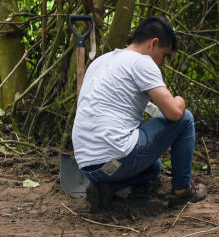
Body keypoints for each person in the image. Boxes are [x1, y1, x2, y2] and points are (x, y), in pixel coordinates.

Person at [72, 17, 207, 209]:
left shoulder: (100, 62)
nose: (162, 63)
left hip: (88, 165)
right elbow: (175, 114)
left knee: (154, 167)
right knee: (186, 118)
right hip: (118, 156)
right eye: (164, 55)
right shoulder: (141, 62)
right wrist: (180, 100)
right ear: (154, 44)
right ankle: (182, 191)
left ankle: (106, 189)